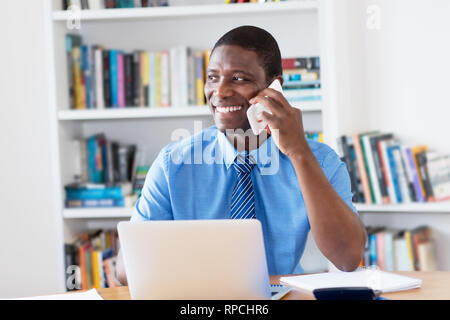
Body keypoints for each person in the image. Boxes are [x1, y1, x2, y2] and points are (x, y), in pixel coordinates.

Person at [116, 26, 366, 285]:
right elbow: (126, 270)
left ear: (275, 86)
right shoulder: (173, 163)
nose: (220, 92)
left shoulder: (320, 160)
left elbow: (347, 258)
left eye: (239, 79)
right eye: (213, 77)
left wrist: (298, 151)